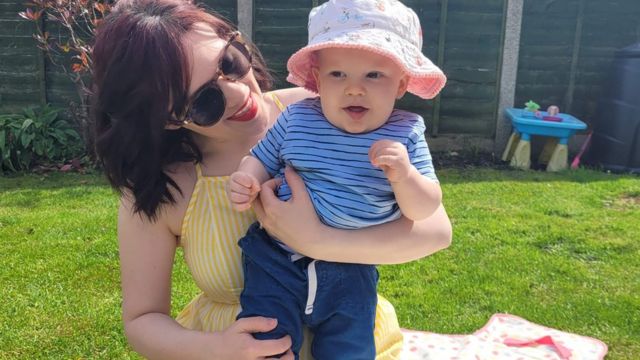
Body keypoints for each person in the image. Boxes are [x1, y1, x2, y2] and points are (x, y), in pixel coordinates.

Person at [91, 0, 452, 358]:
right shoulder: (163, 187)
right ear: (168, 118)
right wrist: (217, 347)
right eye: (205, 101)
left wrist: (318, 241)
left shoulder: (320, 110)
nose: (239, 93)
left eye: (230, 63)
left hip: (355, 335)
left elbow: (436, 231)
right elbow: (142, 320)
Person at [227, 1, 446, 358]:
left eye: (374, 75)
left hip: (351, 266)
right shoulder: (297, 119)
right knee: (267, 339)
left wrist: (404, 176)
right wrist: (246, 179)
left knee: (350, 349)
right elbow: (259, 159)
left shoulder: (405, 134)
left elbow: (425, 208)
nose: (354, 89)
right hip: (276, 258)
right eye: (337, 75)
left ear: (402, 83)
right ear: (316, 77)